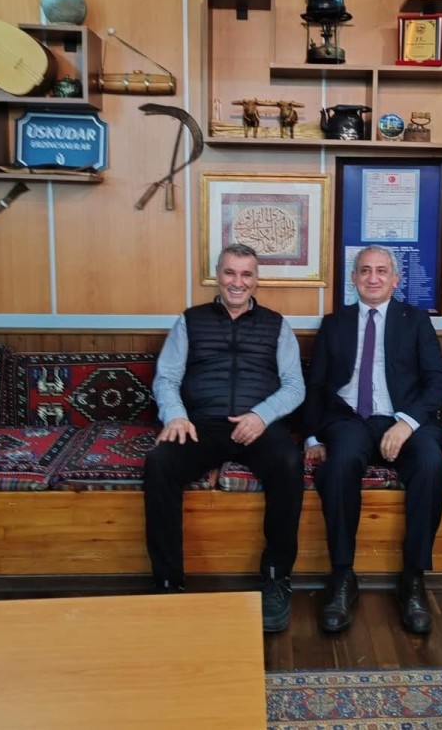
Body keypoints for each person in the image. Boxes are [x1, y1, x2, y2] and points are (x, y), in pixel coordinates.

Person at [144, 243, 305, 633]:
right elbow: (166, 378)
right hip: (200, 424)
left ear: (256, 279)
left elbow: (294, 386)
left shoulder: (277, 325)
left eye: (246, 274)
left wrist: (261, 415)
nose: (238, 282)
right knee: (159, 463)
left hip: (258, 425)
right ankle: (168, 583)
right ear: (217, 275)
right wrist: (176, 415)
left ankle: (276, 577)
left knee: (289, 462)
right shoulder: (189, 321)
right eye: (230, 272)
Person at [303, 244, 442, 634]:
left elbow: (438, 380)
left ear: (395, 279)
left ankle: (413, 578)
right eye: (365, 270)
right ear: (353, 278)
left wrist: (407, 422)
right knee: (339, 465)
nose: (373, 278)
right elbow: (316, 384)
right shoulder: (335, 323)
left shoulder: (415, 320)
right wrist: (313, 436)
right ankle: (342, 576)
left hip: (404, 419)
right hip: (350, 419)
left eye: (381, 271)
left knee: (430, 463)